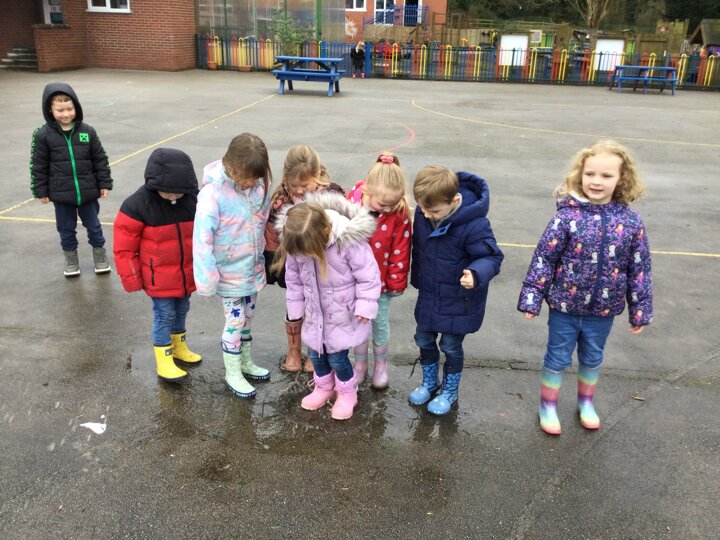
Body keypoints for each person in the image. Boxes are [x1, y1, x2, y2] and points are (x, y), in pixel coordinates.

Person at [518, 140, 653, 435]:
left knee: (593, 357)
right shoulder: (566, 217)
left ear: (622, 179)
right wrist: (532, 296)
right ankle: (548, 405)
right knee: (557, 357)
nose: (596, 181)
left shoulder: (631, 222)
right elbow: (545, 258)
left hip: (602, 311)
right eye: (590, 173)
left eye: (606, 175)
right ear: (580, 174)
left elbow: (639, 268)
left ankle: (586, 402)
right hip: (564, 307)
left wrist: (640, 309)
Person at [272, 193, 381, 420]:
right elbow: (294, 280)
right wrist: (295, 310)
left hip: (342, 313)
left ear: (323, 232)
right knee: (316, 354)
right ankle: (323, 387)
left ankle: (347, 393)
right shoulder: (297, 243)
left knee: (338, 358)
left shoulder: (348, 243)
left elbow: (368, 276)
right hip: (315, 314)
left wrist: (366, 305)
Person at [409, 165, 504, 416]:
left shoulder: (474, 224)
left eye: (433, 211)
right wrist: (416, 278)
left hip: (459, 300)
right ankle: (430, 382)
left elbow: (491, 257)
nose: (426, 214)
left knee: (450, 346)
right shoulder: (424, 213)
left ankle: (450, 391)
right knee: (423, 339)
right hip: (430, 294)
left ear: (454, 200)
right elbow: (419, 248)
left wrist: (476, 273)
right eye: (422, 208)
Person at [193, 133, 272, 399]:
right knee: (235, 321)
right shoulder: (212, 194)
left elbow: (263, 221)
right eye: (248, 177)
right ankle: (233, 371)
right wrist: (207, 279)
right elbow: (202, 239)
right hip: (228, 273)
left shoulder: (258, 186)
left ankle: (245, 361)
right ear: (233, 166)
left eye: (257, 177)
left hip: (251, 269)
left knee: (248, 317)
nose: (252, 182)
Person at [113, 148, 201, 383]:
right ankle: (164, 359)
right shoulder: (136, 205)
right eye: (168, 192)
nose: (174, 196)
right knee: (164, 315)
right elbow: (124, 249)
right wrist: (132, 279)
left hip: (185, 273)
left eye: (179, 192)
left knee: (182, 309)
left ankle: (179, 346)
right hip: (158, 278)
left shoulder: (193, 200)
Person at [264, 145, 345, 373]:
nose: (299, 191)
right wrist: (272, 262)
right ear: (286, 178)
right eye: (294, 186)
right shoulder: (281, 199)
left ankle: (315, 351)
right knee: (295, 305)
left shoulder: (332, 195)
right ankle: (293, 350)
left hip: (323, 264)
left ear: (317, 174)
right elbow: (271, 233)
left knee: (318, 309)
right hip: (294, 265)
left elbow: (344, 228)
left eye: (305, 185)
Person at [30, 82, 113, 277]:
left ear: (76, 107)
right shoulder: (43, 135)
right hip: (61, 194)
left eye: (70, 108)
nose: (66, 114)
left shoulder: (87, 131)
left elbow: (99, 159)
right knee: (66, 229)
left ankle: (99, 254)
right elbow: (38, 165)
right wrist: (41, 191)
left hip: (88, 192)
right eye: (60, 110)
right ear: (50, 110)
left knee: (94, 226)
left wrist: (104, 183)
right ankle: (70, 257)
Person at [346, 152, 412, 389]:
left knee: (379, 323)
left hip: (381, 284)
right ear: (367, 191)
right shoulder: (351, 203)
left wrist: (395, 282)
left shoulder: (399, 214)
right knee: (358, 322)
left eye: (392, 204)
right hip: (353, 281)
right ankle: (360, 364)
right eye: (382, 204)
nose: (387, 208)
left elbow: (400, 250)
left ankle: (381, 365)